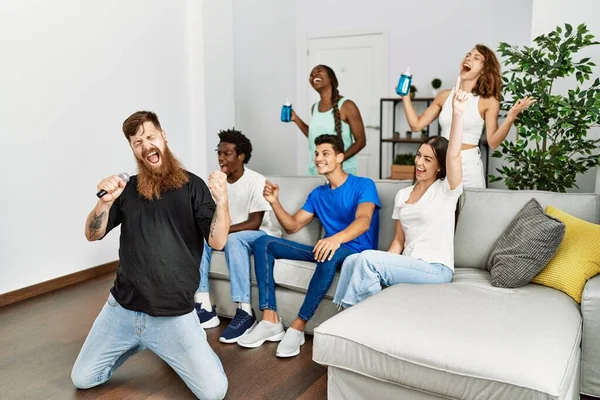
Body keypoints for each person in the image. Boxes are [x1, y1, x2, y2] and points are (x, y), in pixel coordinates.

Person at [71, 111, 228, 400]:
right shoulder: (127, 189)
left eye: (150, 137)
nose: (146, 146)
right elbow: (92, 234)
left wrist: (222, 203)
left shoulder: (193, 186)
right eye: (137, 142)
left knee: (214, 393)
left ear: (163, 137)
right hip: (123, 309)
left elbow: (217, 241)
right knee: (83, 378)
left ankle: (168, 342)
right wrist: (105, 203)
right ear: (133, 150)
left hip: (173, 315)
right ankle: (138, 341)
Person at [237, 134, 380, 357]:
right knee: (264, 242)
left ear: (340, 157)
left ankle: (298, 326)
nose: (318, 158)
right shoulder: (318, 194)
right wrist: (275, 202)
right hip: (326, 249)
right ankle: (269, 319)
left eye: (325, 154)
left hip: (353, 251)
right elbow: (292, 226)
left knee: (328, 253)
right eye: (316, 154)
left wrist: (335, 239)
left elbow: (364, 221)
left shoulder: (363, 185)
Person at [333, 77, 468, 309]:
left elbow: (454, 154)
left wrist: (457, 113)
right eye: (418, 155)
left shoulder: (447, 191)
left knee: (366, 258)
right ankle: (352, 311)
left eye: (428, 159)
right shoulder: (403, 194)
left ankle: (353, 316)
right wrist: (384, 263)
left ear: (440, 166)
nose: (419, 163)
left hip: (435, 269)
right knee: (353, 260)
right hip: (408, 263)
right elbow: (398, 241)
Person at [401, 44, 535, 188]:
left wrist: (510, 117)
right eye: (468, 55)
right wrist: (405, 96)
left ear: (484, 69)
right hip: (443, 162)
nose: (468, 58)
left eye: (476, 58)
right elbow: (416, 125)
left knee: (470, 208)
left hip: (468, 167)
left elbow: (493, 142)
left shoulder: (488, 101)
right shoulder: (445, 96)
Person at [195, 129, 281, 344]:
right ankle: (204, 307)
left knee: (234, 239)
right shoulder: (219, 182)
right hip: (230, 234)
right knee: (199, 236)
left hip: (258, 236)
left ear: (241, 156)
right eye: (219, 153)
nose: (221, 158)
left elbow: (254, 222)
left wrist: (220, 231)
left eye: (227, 153)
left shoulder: (256, 181)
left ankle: (245, 312)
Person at [290, 64, 366, 176]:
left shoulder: (347, 105)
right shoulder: (314, 107)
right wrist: (296, 119)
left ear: (331, 78)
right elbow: (314, 137)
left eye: (319, 71)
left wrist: (337, 160)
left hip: (340, 173)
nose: (314, 75)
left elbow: (361, 142)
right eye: (311, 74)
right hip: (315, 171)